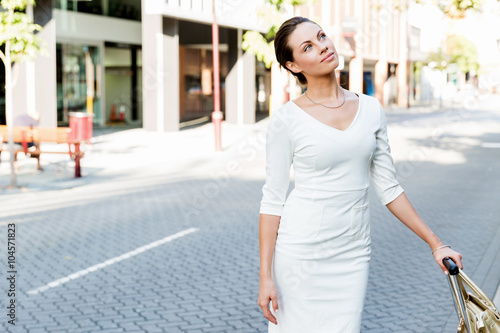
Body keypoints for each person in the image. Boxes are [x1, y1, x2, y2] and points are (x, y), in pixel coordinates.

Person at [257, 16, 463, 333]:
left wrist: (436, 244)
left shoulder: (371, 109)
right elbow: (272, 201)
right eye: (308, 46)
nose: (323, 46)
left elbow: (389, 188)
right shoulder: (287, 119)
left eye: (322, 36)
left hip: (352, 252)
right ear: (294, 65)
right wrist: (265, 277)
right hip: (300, 254)